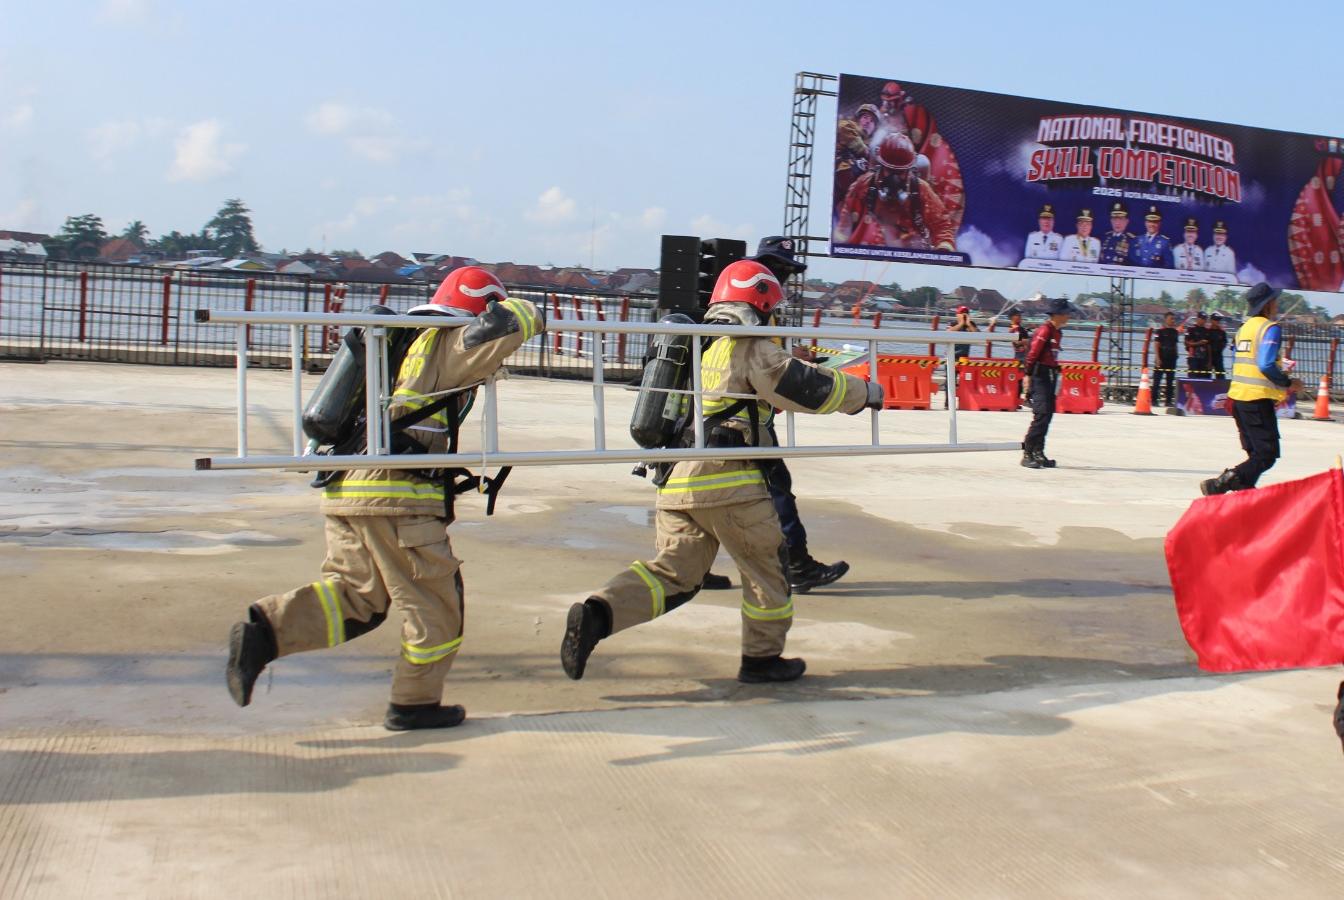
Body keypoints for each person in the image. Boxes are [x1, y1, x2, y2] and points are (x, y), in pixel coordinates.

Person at [224, 267, 545, 730]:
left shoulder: (398, 341)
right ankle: (414, 703)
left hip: (345, 486)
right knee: (436, 610)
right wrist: (516, 306)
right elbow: (516, 322)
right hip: (398, 499)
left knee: (356, 599)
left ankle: (265, 633)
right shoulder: (448, 342)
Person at [560, 260, 882, 684]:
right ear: (762, 303)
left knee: (674, 573)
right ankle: (762, 659)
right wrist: (865, 393)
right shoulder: (749, 343)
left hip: (676, 482)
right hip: (732, 484)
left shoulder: (701, 344)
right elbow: (804, 387)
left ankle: (600, 614)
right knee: (767, 569)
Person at [702, 237, 854, 593]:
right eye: (777, 267)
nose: (782, 275)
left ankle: (692, 565)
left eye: (786, 269)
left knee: (703, 493)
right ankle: (798, 565)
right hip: (742, 422)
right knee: (777, 492)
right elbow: (759, 362)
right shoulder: (751, 307)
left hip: (716, 416)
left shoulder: (742, 307)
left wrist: (793, 358)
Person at [1201, 283, 1301, 495]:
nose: (1277, 304)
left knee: (1255, 454)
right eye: (1275, 300)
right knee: (1267, 454)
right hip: (1257, 400)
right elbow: (1264, 364)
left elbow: (1246, 360)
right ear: (1267, 304)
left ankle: (1244, 493)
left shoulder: (1243, 329)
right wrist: (1288, 382)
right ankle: (1222, 483)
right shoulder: (1269, 328)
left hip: (1238, 399)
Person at [834, 132, 956, 250]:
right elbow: (844, 229)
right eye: (889, 170)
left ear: (909, 169)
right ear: (880, 165)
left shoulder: (921, 189)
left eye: (900, 172)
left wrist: (943, 250)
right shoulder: (862, 187)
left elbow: (942, 226)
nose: (894, 178)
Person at [1021, 297, 1076, 469]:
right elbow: (1032, 354)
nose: (1069, 317)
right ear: (1058, 314)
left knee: (1048, 415)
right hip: (1039, 376)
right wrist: (1028, 375)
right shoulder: (1045, 331)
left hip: (1050, 376)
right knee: (1041, 415)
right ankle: (1027, 453)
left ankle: (1039, 452)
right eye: (1067, 313)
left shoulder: (1057, 332)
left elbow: (1051, 355)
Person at [1153, 311, 1180, 408]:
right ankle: (1154, 400)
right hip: (1162, 358)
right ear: (1165, 320)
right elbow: (1156, 345)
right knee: (1157, 380)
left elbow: (1175, 344)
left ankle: (1168, 401)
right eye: (1170, 319)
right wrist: (1157, 358)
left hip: (1171, 359)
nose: (1173, 321)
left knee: (1170, 381)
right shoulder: (1159, 331)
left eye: (1173, 319)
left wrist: (1177, 355)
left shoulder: (1175, 332)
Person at [1185, 312, 1210, 377]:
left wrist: (1210, 360)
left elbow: (1209, 346)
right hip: (1193, 357)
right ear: (1198, 318)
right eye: (1202, 318)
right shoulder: (1191, 329)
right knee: (1193, 377)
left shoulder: (1207, 331)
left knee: (1204, 378)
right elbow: (1186, 343)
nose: (1204, 320)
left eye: (1205, 319)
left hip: (1204, 358)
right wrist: (1199, 343)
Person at [1207, 313, 1228, 377]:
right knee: (1207, 375)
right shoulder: (1207, 331)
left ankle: (1221, 387)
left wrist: (1221, 348)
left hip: (1218, 356)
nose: (1217, 321)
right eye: (1216, 320)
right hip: (1208, 356)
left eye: (1218, 320)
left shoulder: (1222, 332)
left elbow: (1225, 342)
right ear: (1211, 320)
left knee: (1221, 374)